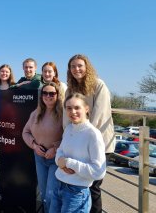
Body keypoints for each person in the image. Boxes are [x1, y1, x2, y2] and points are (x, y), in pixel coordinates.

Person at [65, 54, 115, 213]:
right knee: (80, 184)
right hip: (78, 143)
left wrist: (81, 137)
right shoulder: (71, 89)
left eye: (79, 65)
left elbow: (99, 116)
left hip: (98, 142)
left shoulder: (99, 85)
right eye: (73, 66)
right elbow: (67, 118)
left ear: (87, 67)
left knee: (93, 186)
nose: (76, 69)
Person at [50, 93, 106, 213]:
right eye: (69, 108)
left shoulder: (93, 134)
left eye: (77, 107)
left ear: (86, 109)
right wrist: (59, 161)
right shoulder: (69, 128)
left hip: (76, 192)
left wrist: (69, 163)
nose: (73, 112)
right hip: (58, 185)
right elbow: (60, 152)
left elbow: (98, 171)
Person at [22, 82, 64, 213]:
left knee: (51, 195)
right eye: (45, 93)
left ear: (58, 95)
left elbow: (70, 136)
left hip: (56, 160)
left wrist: (55, 148)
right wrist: (34, 145)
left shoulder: (63, 113)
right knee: (44, 195)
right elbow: (25, 132)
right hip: (39, 158)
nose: (48, 96)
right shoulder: (36, 112)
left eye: (52, 93)